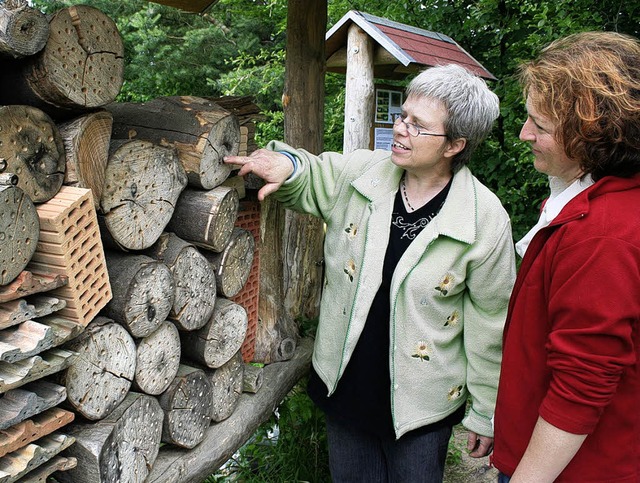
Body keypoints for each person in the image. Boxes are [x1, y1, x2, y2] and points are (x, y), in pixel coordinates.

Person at [225, 64, 516, 482]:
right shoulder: (365, 173)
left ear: (455, 145)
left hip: (422, 406)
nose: (400, 129)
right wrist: (287, 166)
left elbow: (491, 323)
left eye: (418, 126)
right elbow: (313, 173)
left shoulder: (483, 220)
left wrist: (486, 412)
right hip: (346, 388)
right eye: (403, 116)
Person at [492, 31, 640, 482]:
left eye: (541, 125)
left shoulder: (601, 236)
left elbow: (583, 384)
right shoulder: (589, 200)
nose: (524, 134)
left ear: (591, 134)